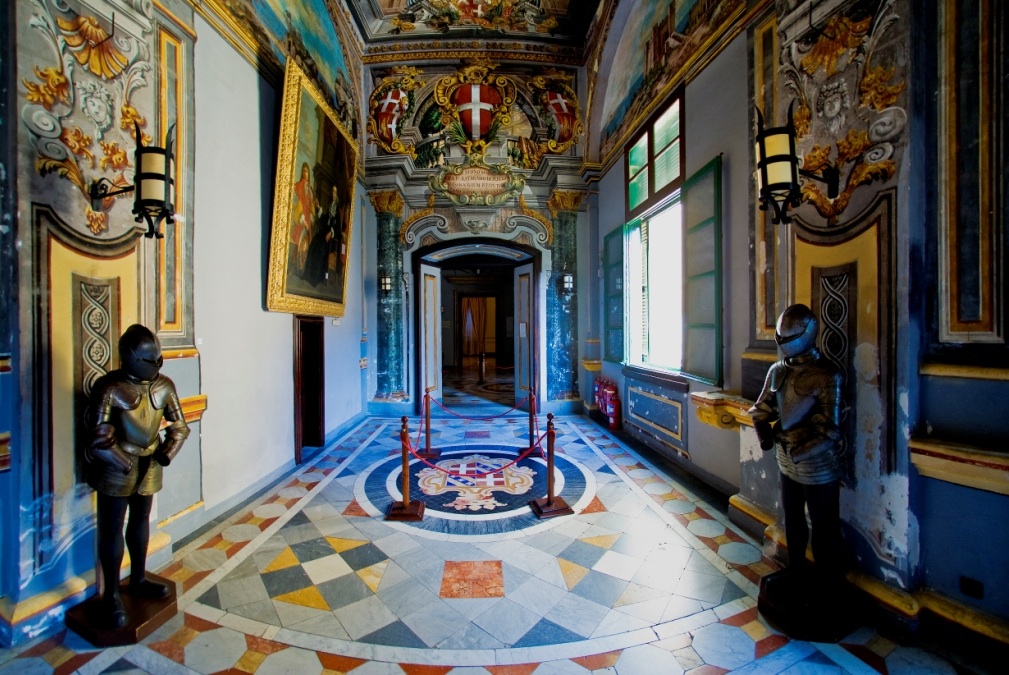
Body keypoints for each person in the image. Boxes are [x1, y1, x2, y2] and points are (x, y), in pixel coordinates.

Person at [85, 324, 189, 628]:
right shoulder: (109, 387)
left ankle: (139, 578)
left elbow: (180, 426)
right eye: (148, 361)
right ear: (129, 357)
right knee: (111, 528)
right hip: (115, 466)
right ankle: (111, 594)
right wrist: (122, 461)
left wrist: (167, 452)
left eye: (157, 360)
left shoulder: (164, 385)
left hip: (151, 462)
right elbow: (99, 436)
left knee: (141, 521)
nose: (155, 366)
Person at [748, 304, 845, 585]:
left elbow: (830, 429)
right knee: (792, 518)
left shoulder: (826, 374)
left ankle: (828, 582)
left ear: (808, 332)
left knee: (824, 524)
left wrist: (801, 451)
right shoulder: (778, 370)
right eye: (781, 337)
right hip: (785, 456)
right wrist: (764, 433)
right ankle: (797, 569)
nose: (783, 343)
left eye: (789, 337)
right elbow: (762, 408)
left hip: (817, 461)